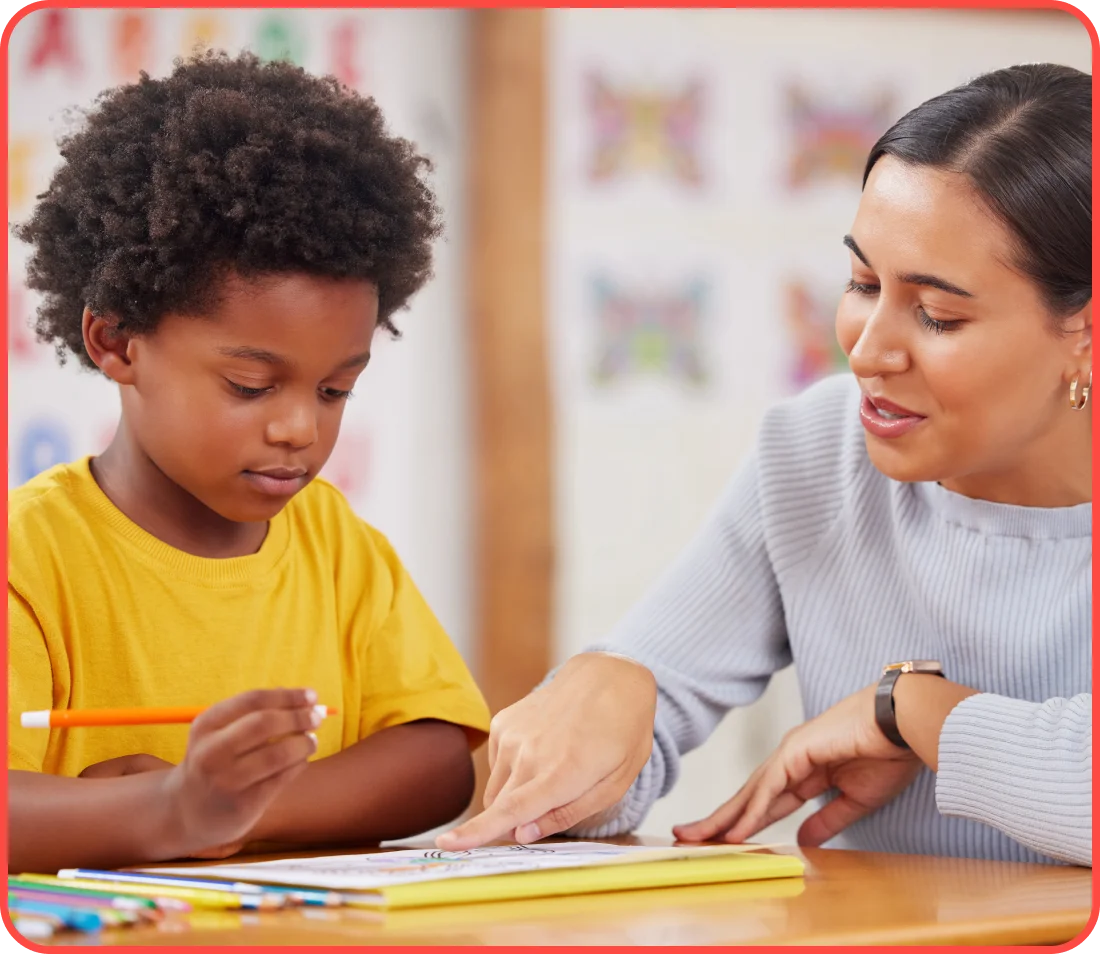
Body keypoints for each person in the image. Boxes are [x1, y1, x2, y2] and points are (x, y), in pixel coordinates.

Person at [440, 63, 1092, 866]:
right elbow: (644, 715)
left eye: (936, 314)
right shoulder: (818, 453)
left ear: (1083, 330)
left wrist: (912, 712)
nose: (867, 347)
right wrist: (605, 700)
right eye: (861, 282)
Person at [8, 51, 491, 874]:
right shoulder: (32, 555)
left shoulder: (335, 545)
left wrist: (233, 810)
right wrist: (164, 811)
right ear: (116, 341)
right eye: (250, 385)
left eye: (336, 390)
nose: (300, 429)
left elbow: (439, 759)